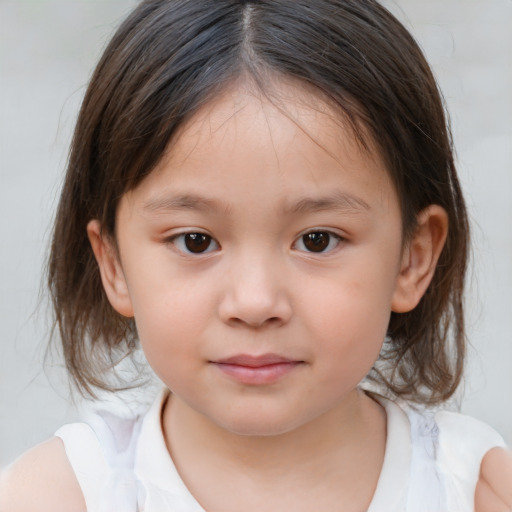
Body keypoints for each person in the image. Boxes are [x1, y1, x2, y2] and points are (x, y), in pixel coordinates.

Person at [0, 0, 511, 510]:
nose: (254, 302)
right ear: (113, 264)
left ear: (412, 258)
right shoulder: (60, 494)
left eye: (318, 240)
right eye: (195, 241)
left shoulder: (474, 489)